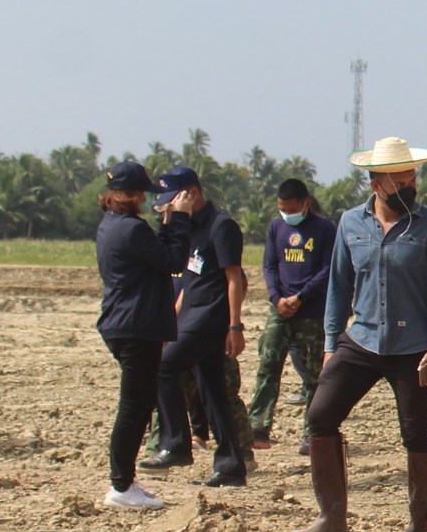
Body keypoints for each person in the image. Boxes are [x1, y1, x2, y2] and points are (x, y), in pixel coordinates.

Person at [295, 137, 427, 532]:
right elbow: (338, 288)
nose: (409, 186)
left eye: (412, 178)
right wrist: (332, 343)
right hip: (362, 340)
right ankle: (332, 518)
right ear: (376, 184)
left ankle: (416, 530)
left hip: (413, 348)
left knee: (415, 434)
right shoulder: (350, 224)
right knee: (320, 415)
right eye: (399, 181)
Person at [138, 167, 249, 487]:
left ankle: (175, 444)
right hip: (189, 315)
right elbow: (188, 281)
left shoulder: (221, 226)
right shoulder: (186, 228)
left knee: (162, 367)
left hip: (209, 318)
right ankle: (230, 466)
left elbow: (234, 278)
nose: (169, 207)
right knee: (213, 393)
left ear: (193, 193)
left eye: (173, 200)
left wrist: (234, 326)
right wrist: (170, 319)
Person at [94, 160, 190, 510]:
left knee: (138, 404)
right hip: (135, 327)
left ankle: (125, 479)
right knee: (133, 408)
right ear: (133, 195)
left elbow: (159, 256)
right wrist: (178, 219)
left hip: (124, 324)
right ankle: (120, 485)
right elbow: (174, 260)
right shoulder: (132, 230)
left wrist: (166, 223)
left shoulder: (112, 225)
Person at [248, 178, 334, 455]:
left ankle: (313, 433)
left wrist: (301, 297)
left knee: (313, 375)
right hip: (280, 309)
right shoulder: (276, 227)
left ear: (306, 203)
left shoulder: (324, 229)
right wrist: (276, 298)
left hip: (310, 310)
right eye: (282, 208)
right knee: (267, 367)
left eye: (291, 208)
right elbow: (270, 265)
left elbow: (327, 269)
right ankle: (258, 428)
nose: (286, 213)